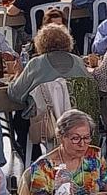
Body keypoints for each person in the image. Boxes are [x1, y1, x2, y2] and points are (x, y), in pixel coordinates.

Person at [8, 22, 93, 156]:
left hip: (47, 124)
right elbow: (91, 86)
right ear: (67, 41)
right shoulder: (78, 61)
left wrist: (17, 74)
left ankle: (32, 157)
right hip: (78, 119)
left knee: (19, 119)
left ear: (41, 43)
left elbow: (15, 95)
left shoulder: (36, 63)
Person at [29, 109, 107, 195]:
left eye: (86, 137)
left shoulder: (95, 155)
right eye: (75, 138)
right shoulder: (43, 167)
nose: (82, 144)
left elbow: (106, 186)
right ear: (61, 138)